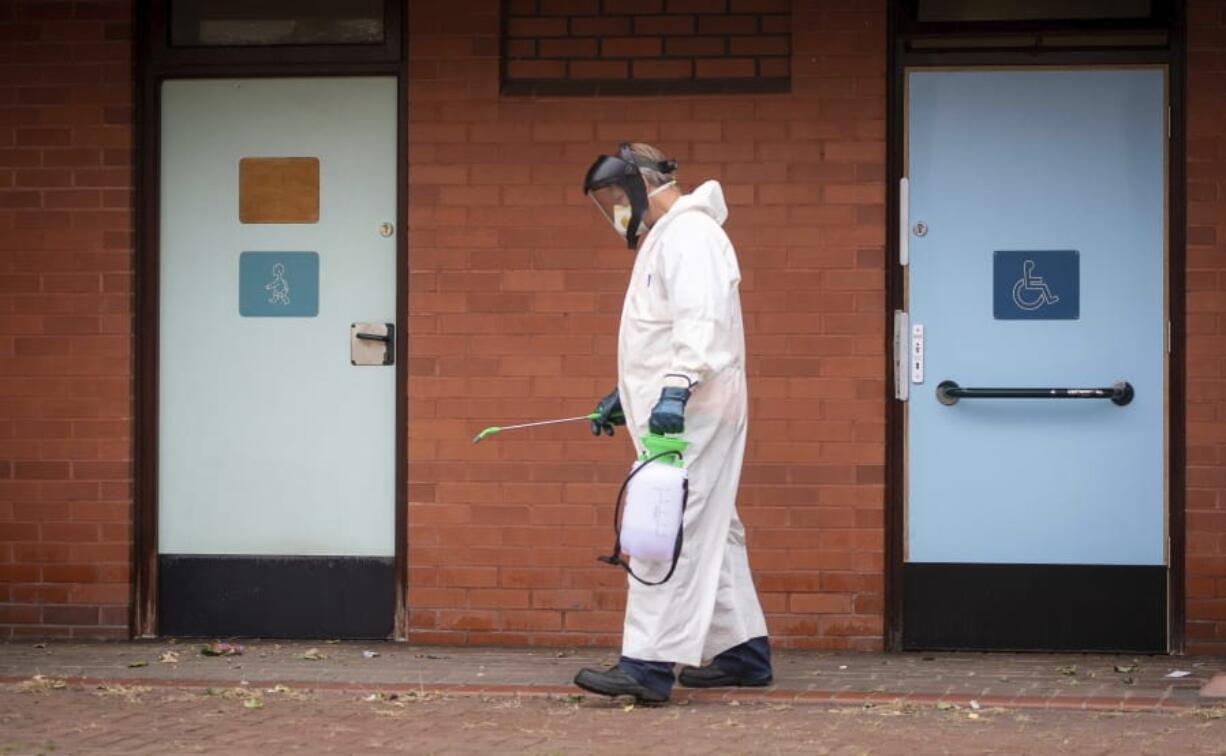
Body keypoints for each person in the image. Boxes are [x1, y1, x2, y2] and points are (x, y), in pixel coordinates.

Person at [573, 143, 772, 704]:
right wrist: (629, 392)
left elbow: (700, 322)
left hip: (693, 411)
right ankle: (743, 652)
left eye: (615, 198)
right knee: (714, 526)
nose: (613, 211)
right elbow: (662, 329)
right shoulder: (673, 236)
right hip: (684, 406)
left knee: (664, 524)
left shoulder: (690, 235)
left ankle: (647, 665)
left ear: (639, 185)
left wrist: (674, 387)